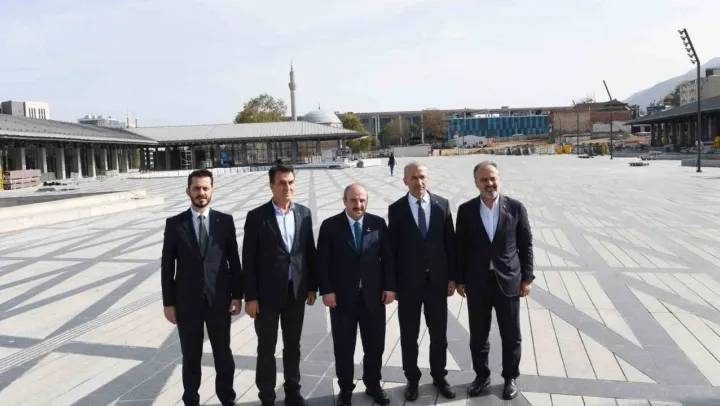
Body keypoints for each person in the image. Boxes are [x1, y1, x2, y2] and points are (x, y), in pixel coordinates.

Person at [161, 169, 243, 406]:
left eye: (205, 188)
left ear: (212, 190)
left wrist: (237, 295)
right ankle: (191, 400)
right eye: (196, 188)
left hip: (219, 300)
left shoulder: (224, 222)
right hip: (187, 303)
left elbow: (234, 261)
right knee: (190, 356)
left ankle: (227, 398)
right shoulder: (175, 224)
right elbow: (167, 266)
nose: (201, 192)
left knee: (223, 354)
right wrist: (168, 303)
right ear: (188, 191)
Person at [455, 161, 534, 400]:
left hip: (508, 280)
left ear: (499, 179)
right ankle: (482, 376)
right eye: (484, 180)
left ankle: (510, 377)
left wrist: (527, 278)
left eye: (493, 178)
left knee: (511, 334)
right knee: (479, 334)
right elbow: (460, 247)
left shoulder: (516, 208)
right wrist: (459, 279)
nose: (489, 184)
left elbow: (525, 245)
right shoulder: (466, 210)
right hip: (477, 282)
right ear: (476, 183)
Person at [242, 164, 318, 406]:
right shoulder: (257, 216)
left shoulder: (304, 213)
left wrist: (312, 286)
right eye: (282, 183)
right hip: (266, 297)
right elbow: (248, 259)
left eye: (291, 182)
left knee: (293, 345)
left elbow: (309, 251)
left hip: (295, 292)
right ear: (271, 186)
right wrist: (251, 297)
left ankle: (293, 392)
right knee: (266, 347)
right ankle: (267, 396)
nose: (288, 187)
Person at [317, 184, 395, 406]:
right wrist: (327, 290)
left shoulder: (377, 224)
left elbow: (388, 259)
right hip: (342, 300)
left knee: (375, 346)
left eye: (362, 200)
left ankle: (373, 384)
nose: (358, 205)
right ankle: (345, 389)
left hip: (373, 298)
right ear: (344, 201)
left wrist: (390, 287)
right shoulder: (330, 226)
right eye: (353, 200)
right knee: (344, 348)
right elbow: (322, 262)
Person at [387, 162, 456, 401]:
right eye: (414, 178)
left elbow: (450, 244)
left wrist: (452, 277)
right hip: (408, 285)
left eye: (422, 176)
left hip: (437, 283)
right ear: (405, 181)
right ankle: (412, 379)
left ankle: (439, 376)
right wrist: (392, 285)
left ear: (428, 178)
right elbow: (392, 250)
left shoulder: (442, 205)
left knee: (439, 335)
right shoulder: (396, 209)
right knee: (409, 335)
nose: (419, 182)